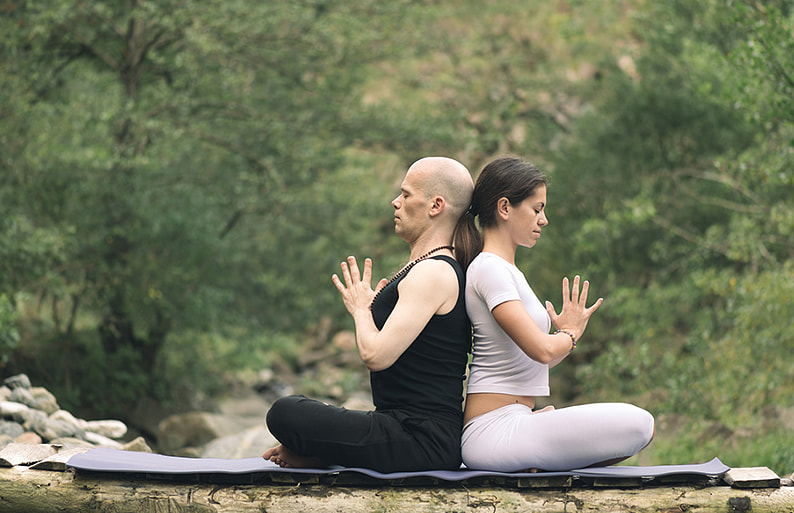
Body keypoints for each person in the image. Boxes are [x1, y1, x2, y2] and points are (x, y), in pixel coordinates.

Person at [263, 156, 474, 472]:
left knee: (286, 413)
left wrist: (361, 310)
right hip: (401, 428)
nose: (396, 202)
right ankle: (322, 454)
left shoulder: (433, 273)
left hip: (422, 439)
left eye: (405, 195)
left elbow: (376, 356)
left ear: (435, 205)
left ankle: (322, 453)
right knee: (292, 412)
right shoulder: (425, 268)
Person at [452, 156, 654, 472]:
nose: (543, 220)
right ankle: (537, 460)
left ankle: (538, 460)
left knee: (639, 428)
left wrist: (566, 338)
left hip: (513, 422)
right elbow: (543, 350)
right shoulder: (489, 268)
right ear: (504, 208)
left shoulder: (504, 270)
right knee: (640, 424)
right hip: (491, 432)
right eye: (537, 208)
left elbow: (533, 358)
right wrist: (568, 334)